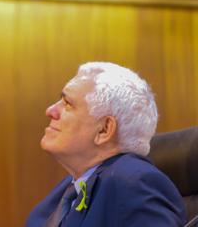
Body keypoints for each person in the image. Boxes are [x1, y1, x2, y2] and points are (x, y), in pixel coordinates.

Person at [26, 62, 186, 227]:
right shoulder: (69, 186)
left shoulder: (136, 183)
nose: (50, 110)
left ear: (104, 129)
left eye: (67, 104)